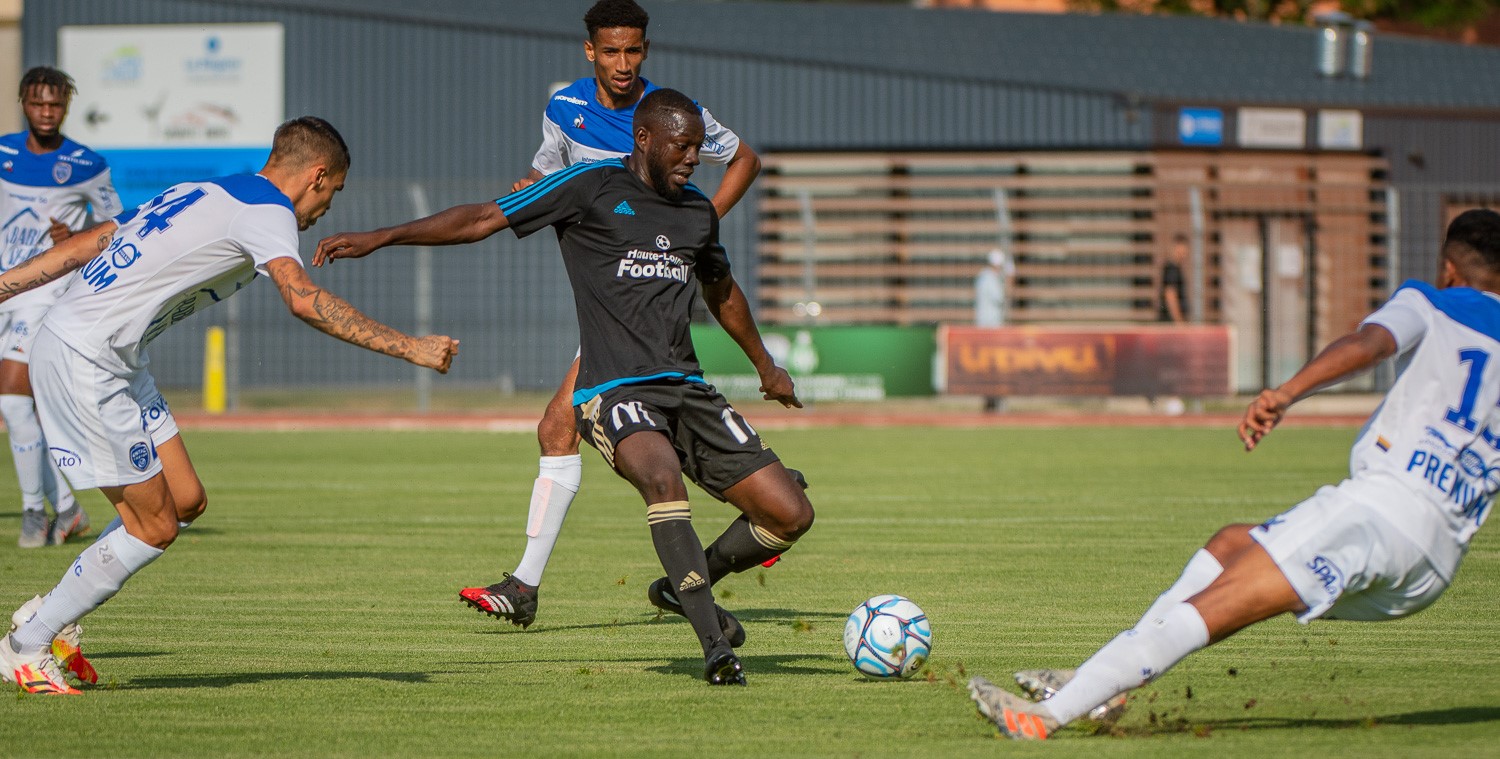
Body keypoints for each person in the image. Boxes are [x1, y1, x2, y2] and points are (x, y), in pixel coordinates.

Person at [315, 89, 814, 685]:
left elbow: (722, 291)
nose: (692, 158)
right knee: (662, 478)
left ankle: (682, 586)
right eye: (682, 147)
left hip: (687, 387)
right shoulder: (588, 187)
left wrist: (766, 367)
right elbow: (481, 219)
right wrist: (381, 237)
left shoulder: (697, 211)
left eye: (698, 148)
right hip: (613, 390)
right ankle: (715, 648)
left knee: (790, 514)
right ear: (644, 139)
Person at [967, 208, 1500, 739]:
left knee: (1207, 611)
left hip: (1378, 513)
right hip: (1434, 565)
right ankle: (1102, 685)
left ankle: (1044, 717)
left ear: (1449, 268)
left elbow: (1371, 345)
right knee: (1230, 545)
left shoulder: (1429, 301)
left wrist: (1286, 393)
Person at [0, 116, 460, 695]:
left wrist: (4, 285)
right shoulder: (268, 211)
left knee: (185, 501)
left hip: (119, 358)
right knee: (153, 526)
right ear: (318, 176)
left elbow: (94, 240)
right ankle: (28, 644)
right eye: (334, 192)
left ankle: (48, 612)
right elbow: (303, 299)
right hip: (85, 358)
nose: (327, 208)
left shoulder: (204, 190)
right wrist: (410, 347)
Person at [456, 0, 773, 630]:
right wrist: (526, 189)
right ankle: (531, 584)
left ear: (645, 50)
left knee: (559, 425)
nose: (623, 63)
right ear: (591, 52)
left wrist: (695, 226)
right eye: (611, 51)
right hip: (607, 280)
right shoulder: (564, 109)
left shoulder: (672, 114)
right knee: (558, 427)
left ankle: (527, 585)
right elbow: (545, 173)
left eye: (633, 50)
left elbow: (746, 158)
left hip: (645, 294)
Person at [0, 66, 122, 548]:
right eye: (38, 103)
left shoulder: (87, 164)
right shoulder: (4, 153)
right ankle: (68, 509)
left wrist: (74, 238)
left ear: (66, 107)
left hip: (45, 293)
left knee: (13, 402)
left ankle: (34, 513)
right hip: (4, 287)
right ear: (24, 103)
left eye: (55, 104)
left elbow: (116, 228)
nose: (46, 112)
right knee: (20, 412)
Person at [974, 248, 1013, 412]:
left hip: (984, 328)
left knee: (987, 366)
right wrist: (1010, 280)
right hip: (991, 329)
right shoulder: (990, 280)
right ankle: (995, 401)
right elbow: (1001, 297)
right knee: (995, 366)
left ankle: (989, 400)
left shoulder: (982, 277)